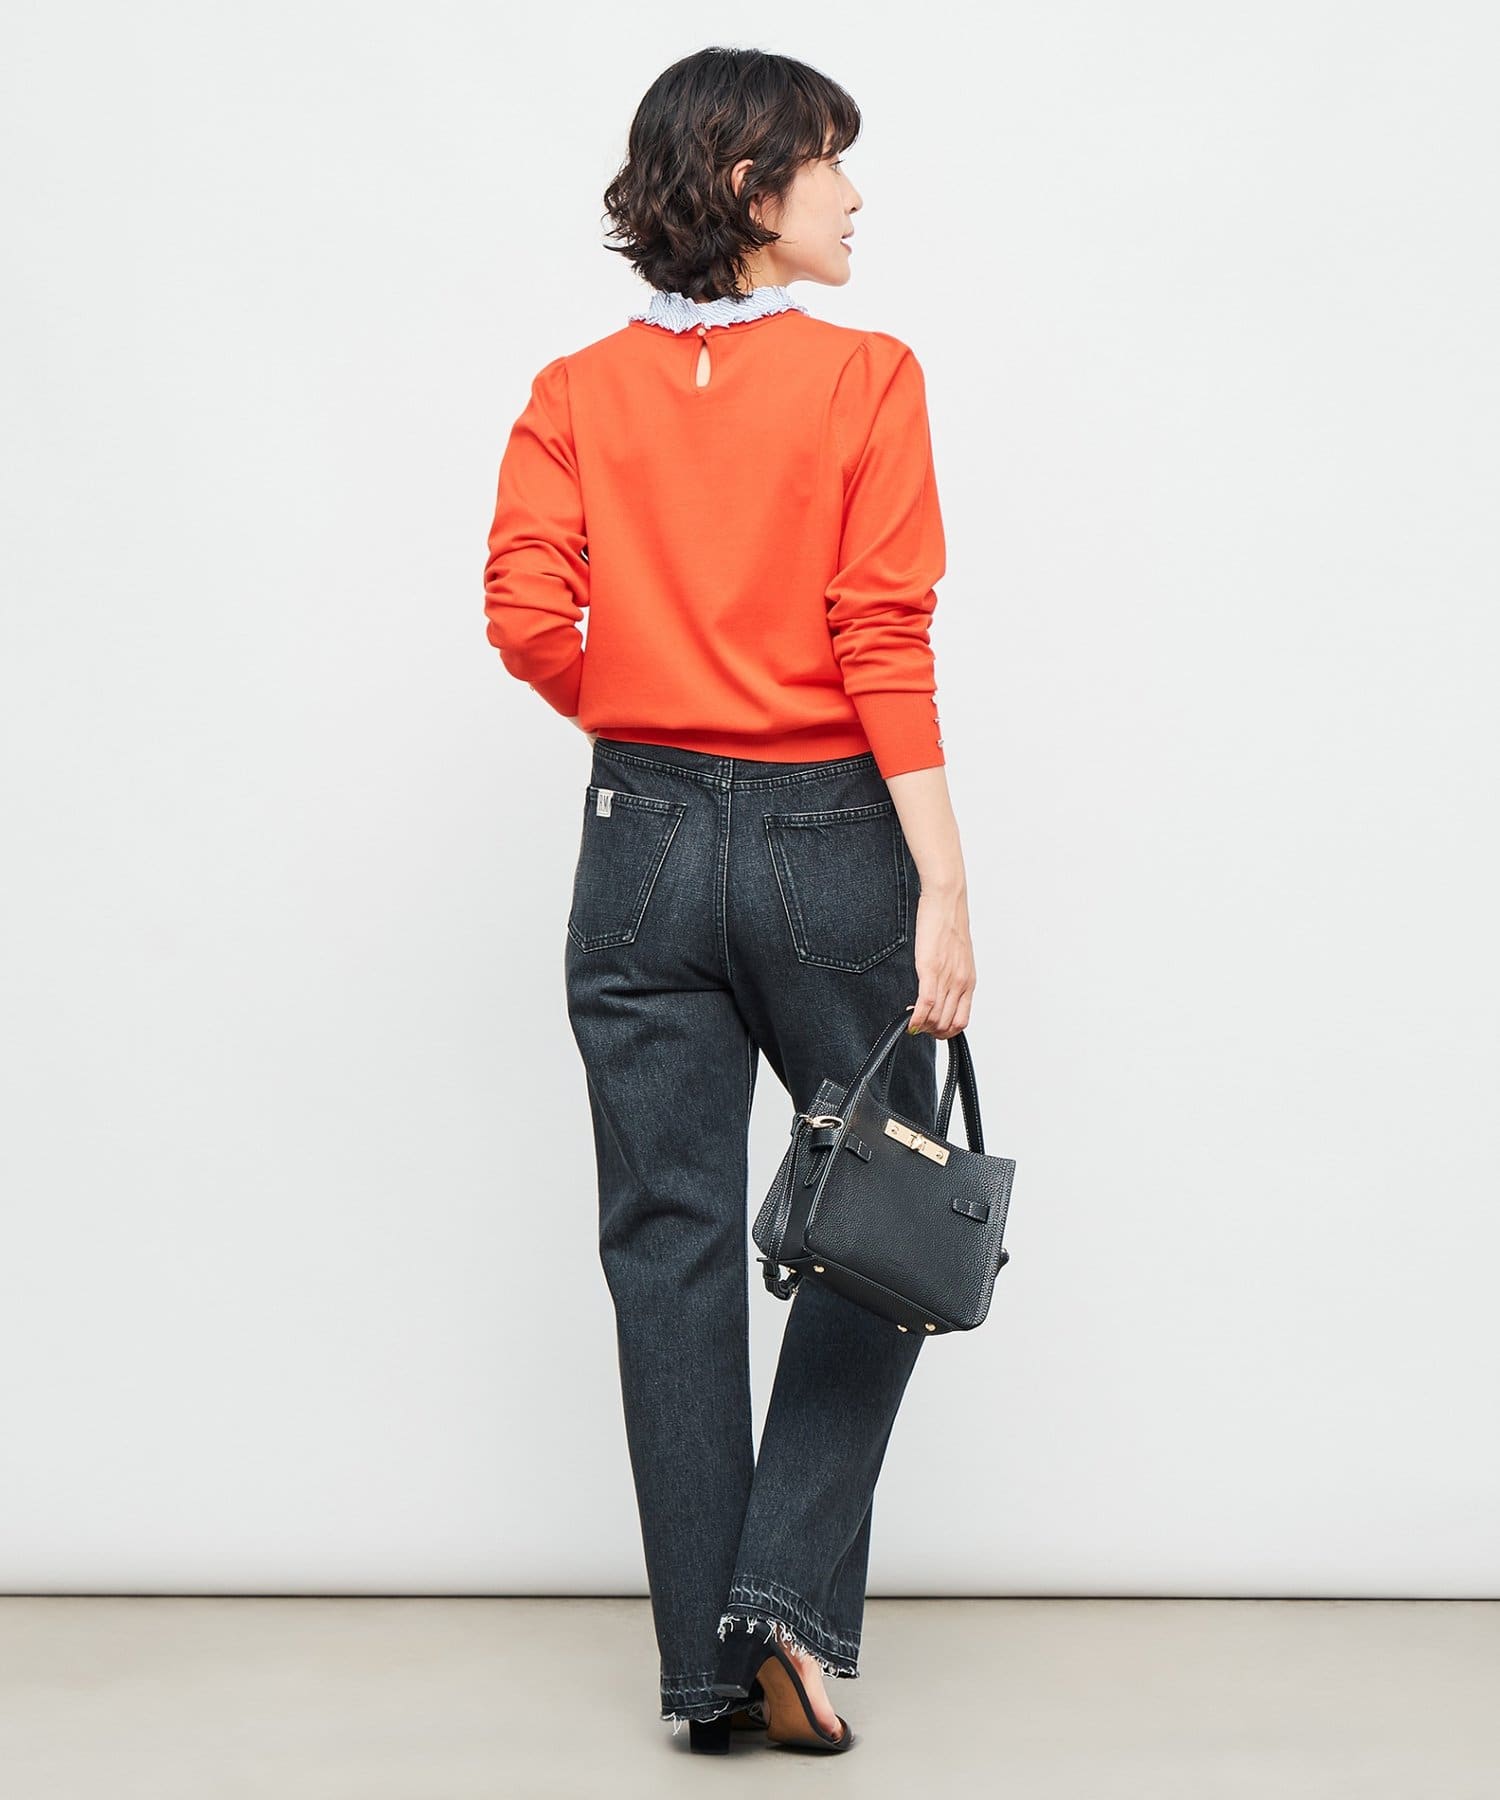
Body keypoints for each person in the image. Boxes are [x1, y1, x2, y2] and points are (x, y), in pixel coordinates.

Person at [481, 45, 977, 1757]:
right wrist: (943, 878)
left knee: (668, 1244)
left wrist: (656, 703)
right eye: (832, 163)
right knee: (889, 1218)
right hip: (830, 832)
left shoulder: (571, 392)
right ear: (758, 188)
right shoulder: (868, 378)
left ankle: (708, 1673)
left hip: (636, 838)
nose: (855, 192)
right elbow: (881, 636)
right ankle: (778, 1605)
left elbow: (526, 616)